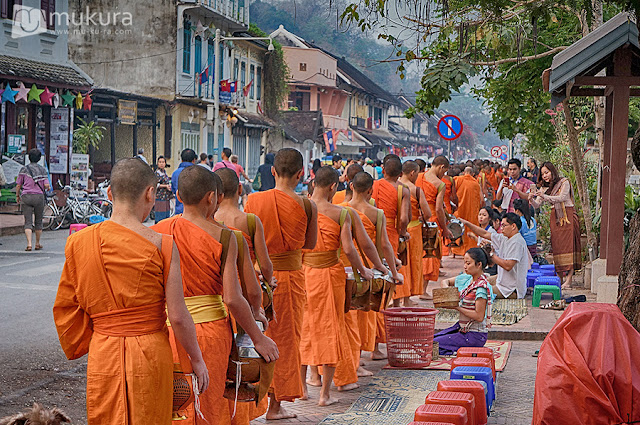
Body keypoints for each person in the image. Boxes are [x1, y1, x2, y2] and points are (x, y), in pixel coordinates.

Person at [53, 158, 209, 424]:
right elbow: (179, 316)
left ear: (110, 193)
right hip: (150, 353)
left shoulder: (79, 242)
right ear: (150, 193)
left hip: (104, 350)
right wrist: (197, 359)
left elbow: (67, 306)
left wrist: (104, 326)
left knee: (107, 416)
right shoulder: (163, 244)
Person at [153, 166, 278, 424]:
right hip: (209, 333)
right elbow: (232, 298)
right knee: (207, 406)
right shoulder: (224, 236)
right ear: (212, 197)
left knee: (173, 405)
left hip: (166, 329)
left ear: (177, 195)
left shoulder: (159, 230)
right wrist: (258, 338)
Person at [244, 148, 318, 420]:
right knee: (285, 341)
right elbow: (310, 245)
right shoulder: (308, 205)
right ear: (301, 174)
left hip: (259, 279)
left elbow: (247, 241)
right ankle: (275, 407)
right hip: (292, 279)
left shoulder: (254, 200)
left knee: (255, 336)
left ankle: (249, 402)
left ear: (273, 171)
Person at [300, 166, 373, 406]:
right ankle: (325, 395)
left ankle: (302, 389)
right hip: (330, 275)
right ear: (333, 186)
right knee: (330, 329)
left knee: (306, 329)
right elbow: (350, 250)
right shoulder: (340, 213)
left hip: (304, 274)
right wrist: (363, 270)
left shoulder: (301, 209)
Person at [214, 167, 276, 423]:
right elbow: (264, 264)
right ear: (240, 190)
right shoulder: (248, 221)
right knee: (242, 358)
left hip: (214, 300)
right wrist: (262, 294)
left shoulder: (207, 222)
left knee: (220, 365)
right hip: (243, 300)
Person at [529, 161, 581, 289]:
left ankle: (569, 279)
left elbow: (562, 197)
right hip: (555, 219)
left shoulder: (564, 182)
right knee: (557, 247)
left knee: (569, 247)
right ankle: (560, 278)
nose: (545, 176)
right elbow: (537, 204)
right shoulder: (544, 189)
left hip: (567, 216)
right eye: (543, 174)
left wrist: (544, 196)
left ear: (552, 171)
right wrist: (530, 198)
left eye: (547, 172)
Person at [433, 248, 493, 355]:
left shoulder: (481, 288)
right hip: (462, 328)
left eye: (468, 263)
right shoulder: (467, 279)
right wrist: (448, 293)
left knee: (433, 344)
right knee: (431, 339)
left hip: (474, 335)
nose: (465, 266)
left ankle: (457, 351)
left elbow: (479, 316)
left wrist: (456, 307)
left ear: (479, 265)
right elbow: (445, 281)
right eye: (464, 262)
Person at [460, 213, 531, 299]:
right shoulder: (505, 238)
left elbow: (508, 266)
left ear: (513, 226)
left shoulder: (517, 242)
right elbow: (485, 234)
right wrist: (467, 223)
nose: (501, 228)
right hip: (502, 282)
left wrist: (491, 254)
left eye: (504, 226)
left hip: (510, 289)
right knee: (476, 281)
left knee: (477, 290)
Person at [372, 155, 411, 307]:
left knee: (373, 263)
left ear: (383, 170)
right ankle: (391, 303)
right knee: (390, 263)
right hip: (390, 230)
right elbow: (403, 218)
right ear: (400, 174)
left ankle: (375, 299)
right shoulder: (402, 190)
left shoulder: (373, 185)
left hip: (371, 229)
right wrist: (403, 232)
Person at [419, 156, 455, 299]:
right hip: (432, 220)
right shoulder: (439, 184)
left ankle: (416, 290)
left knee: (418, 254)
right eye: (444, 171)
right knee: (430, 255)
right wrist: (445, 228)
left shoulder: (419, 177)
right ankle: (422, 290)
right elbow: (439, 209)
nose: (444, 175)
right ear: (441, 167)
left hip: (417, 219)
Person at [399, 161, 432, 298]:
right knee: (412, 263)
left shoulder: (393, 187)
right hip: (412, 229)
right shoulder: (415, 190)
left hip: (394, 229)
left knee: (400, 264)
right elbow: (428, 214)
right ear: (412, 173)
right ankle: (407, 299)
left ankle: (397, 298)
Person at [15, 149, 50, 251]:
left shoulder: (24, 169)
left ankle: (29, 244)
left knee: (28, 221)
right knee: (38, 220)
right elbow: (47, 185)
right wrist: (46, 187)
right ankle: (37, 243)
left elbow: (18, 185)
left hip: (26, 196)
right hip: (39, 197)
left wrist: (17, 196)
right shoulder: (42, 170)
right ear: (39, 158)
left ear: (29, 157)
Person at [452, 167, 483, 256]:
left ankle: (457, 249)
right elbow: (481, 199)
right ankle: (471, 247)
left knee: (459, 227)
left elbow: (452, 195)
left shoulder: (457, 180)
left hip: (460, 210)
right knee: (471, 228)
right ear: (473, 174)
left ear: (464, 172)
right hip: (472, 211)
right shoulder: (476, 183)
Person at [475, 206, 500, 275]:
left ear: (489, 218)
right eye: (480, 215)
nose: (481, 217)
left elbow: (497, 249)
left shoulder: (491, 232)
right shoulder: (481, 231)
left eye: (484, 215)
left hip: (492, 264)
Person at [172, 148, 197, 214]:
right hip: (195, 211)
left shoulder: (175, 173)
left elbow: (173, 189)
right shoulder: (197, 173)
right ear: (194, 160)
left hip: (179, 210)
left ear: (181, 160)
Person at [154, 156, 172, 223]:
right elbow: (155, 184)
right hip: (159, 197)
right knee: (160, 216)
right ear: (157, 163)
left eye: (163, 162)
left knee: (166, 215)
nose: (161, 164)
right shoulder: (157, 173)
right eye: (160, 162)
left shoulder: (164, 172)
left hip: (166, 197)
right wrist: (165, 186)